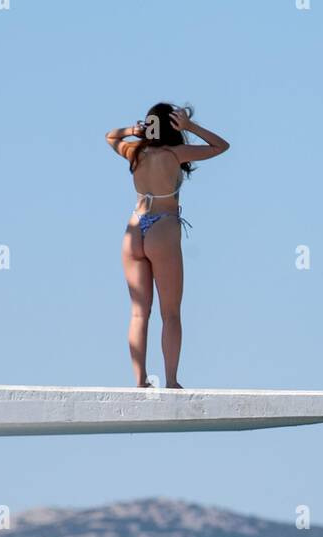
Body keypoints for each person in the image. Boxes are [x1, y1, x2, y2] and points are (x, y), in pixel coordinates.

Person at [105, 102, 229, 388]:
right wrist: (191, 127)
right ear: (173, 126)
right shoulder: (174, 153)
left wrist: (132, 131)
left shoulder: (135, 151)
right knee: (170, 312)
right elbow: (221, 146)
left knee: (139, 311)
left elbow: (111, 137)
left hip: (134, 229)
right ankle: (171, 381)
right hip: (162, 228)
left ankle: (140, 380)